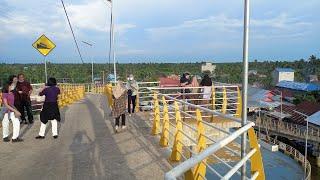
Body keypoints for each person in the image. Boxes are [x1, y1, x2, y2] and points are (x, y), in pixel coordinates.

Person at [1, 75, 23, 142]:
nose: (13, 86)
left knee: (16, 122)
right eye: (11, 85)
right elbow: (6, 105)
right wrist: (16, 111)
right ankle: (5, 136)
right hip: (6, 110)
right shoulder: (5, 94)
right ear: (8, 86)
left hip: (12, 109)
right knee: (5, 124)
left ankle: (15, 138)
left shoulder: (12, 92)